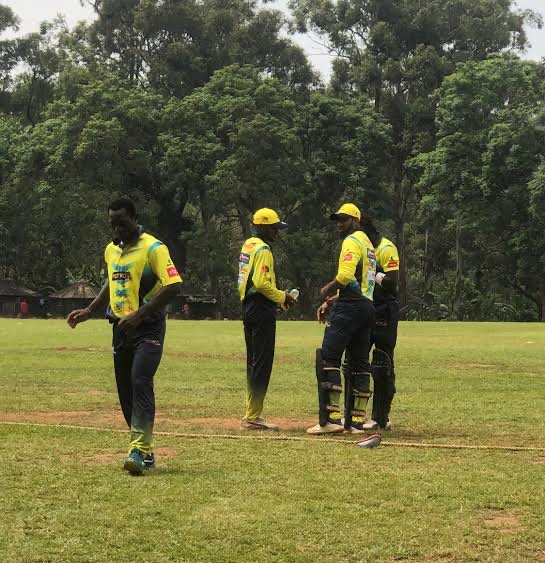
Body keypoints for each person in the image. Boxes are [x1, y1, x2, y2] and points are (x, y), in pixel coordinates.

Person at [67, 198, 182, 476]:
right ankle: (145, 448)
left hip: (149, 326)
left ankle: (138, 450)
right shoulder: (111, 250)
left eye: (122, 222)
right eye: (113, 224)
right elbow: (111, 280)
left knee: (140, 380)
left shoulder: (153, 248)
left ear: (134, 218)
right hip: (120, 328)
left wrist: (139, 315)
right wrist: (90, 310)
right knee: (125, 390)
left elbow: (173, 285)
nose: (118, 229)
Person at [307, 203, 376, 435]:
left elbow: (346, 276)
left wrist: (327, 289)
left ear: (356, 220)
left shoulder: (352, 241)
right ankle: (356, 422)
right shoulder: (368, 244)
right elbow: (362, 284)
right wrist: (333, 301)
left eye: (344, 220)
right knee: (359, 364)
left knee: (329, 357)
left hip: (350, 307)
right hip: (367, 306)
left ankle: (331, 419)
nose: (340, 224)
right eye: (338, 220)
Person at [238, 208, 296, 430]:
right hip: (261, 309)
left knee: (253, 360)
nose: (276, 232)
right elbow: (262, 283)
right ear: (262, 227)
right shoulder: (264, 250)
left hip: (248, 306)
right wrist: (283, 297)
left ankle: (251, 411)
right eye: (273, 228)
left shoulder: (248, 245)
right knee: (262, 362)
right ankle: (253, 416)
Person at [359, 218, 400, 431]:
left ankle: (381, 417)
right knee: (358, 361)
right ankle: (356, 414)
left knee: (382, 363)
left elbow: (392, 284)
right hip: (366, 308)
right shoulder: (362, 250)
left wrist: (373, 273)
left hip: (385, 310)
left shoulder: (386, 248)